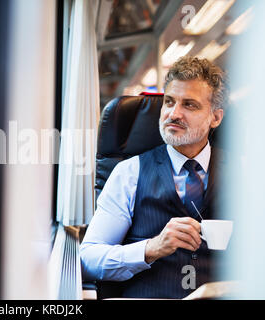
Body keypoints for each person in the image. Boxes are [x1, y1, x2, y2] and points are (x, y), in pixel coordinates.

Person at [80, 56, 228, 299]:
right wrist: (151, 249)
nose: (174, 113)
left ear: (216, 117)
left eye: (189, 105)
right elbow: (88, 260)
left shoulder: (247, 175)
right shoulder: (129, 172)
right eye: (169, 102)